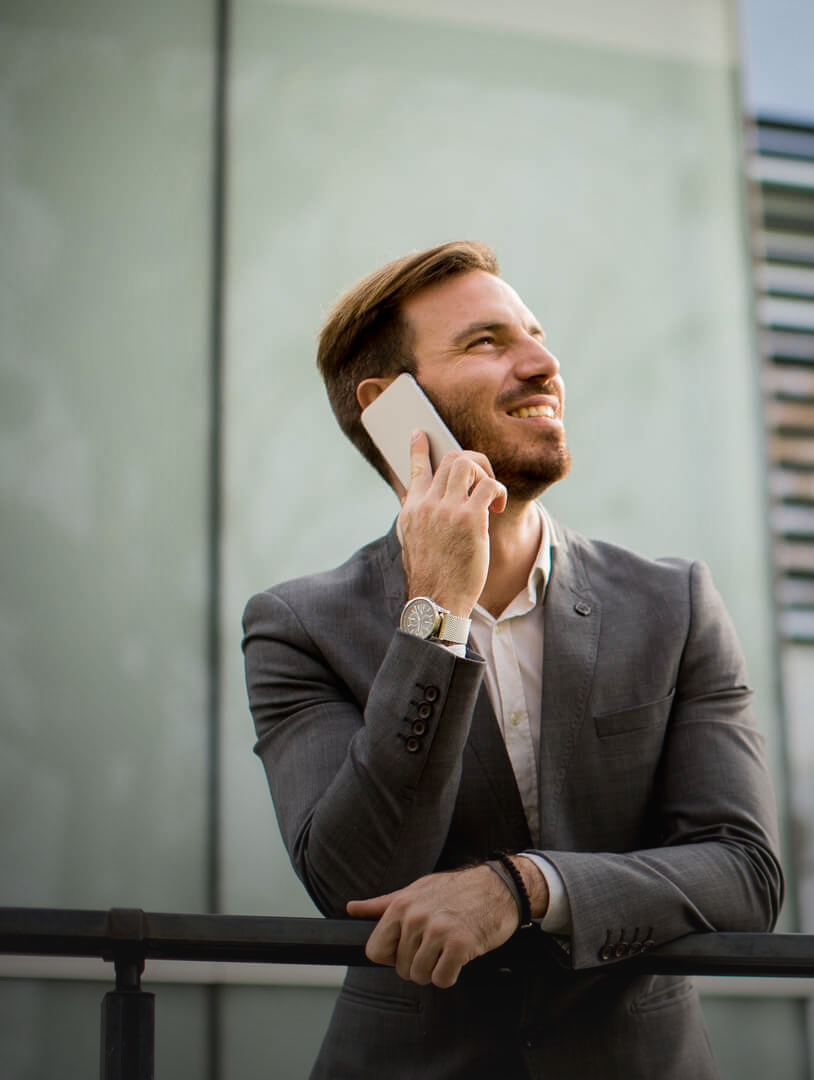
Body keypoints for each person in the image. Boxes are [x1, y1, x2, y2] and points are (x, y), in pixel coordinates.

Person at [240, 240, 782, 1078]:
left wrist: (521, 887)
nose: (544, 362)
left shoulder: (673, 605)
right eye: (486, 342)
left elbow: (744, 873)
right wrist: (435, 617)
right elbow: (353, 879)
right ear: (394, 409)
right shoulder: (298, 625)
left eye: (535, 334)